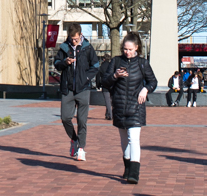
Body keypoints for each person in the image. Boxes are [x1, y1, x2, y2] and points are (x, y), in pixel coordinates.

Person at [97, 32, 157, 184]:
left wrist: (146, 89)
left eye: (130, 49)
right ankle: (127, 167)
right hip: (119, 106)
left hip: (136, 107)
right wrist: (115, 76)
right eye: (125, 49)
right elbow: (104, 82)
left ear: (136, 48)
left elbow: (153, 81)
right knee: (124, 141)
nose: (127, 52)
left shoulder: (143, 63)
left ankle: (134, 173)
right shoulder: (116, 61)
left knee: (134, 139)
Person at [54, 25, 99, 161]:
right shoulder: (64, 48)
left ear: (80, 35)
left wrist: (85, 78)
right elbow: (56, 63)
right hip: (67, 89)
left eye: (76, 38)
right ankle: (74, 139)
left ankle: (81, 148)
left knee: (82, 120)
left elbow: (96, 66)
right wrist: (64, 62)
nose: (74, 41)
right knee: (65, 118)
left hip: (83, 89)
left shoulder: (87, 48)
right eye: (71, 39)